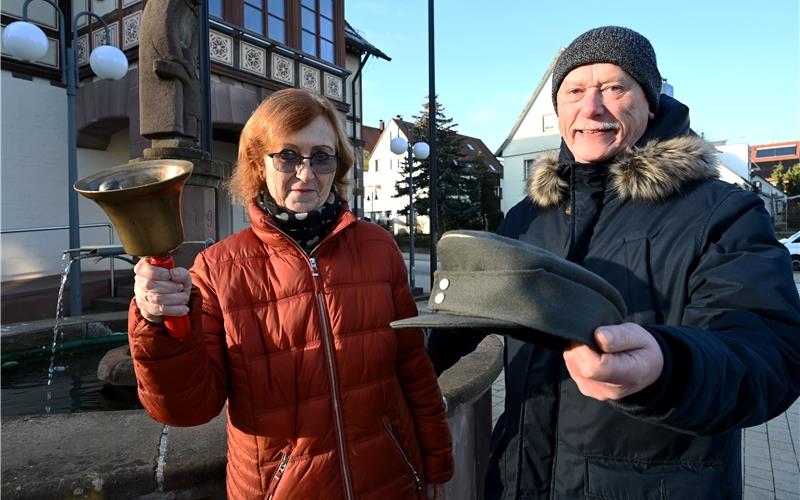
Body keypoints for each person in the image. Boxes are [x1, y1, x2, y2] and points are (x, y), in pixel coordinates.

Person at [427, 26, 800, 499]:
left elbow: (770, 356)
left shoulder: (721, 211)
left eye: (613, 88)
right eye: (574, 92)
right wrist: (390, 365)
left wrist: (666, 369)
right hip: (520, 478)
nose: (591, 108)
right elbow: (463, 312)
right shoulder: (527, 216)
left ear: (650, 103)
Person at [129, 88, 453, 499]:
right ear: (257, 164)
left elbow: (414, 370)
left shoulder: (378, 247)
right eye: (287, 156)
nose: (306, 172)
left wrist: (437, 464)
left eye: (321, 156)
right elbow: (186, 409)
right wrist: (156, 324)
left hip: (389, 481)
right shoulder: (217, 267)